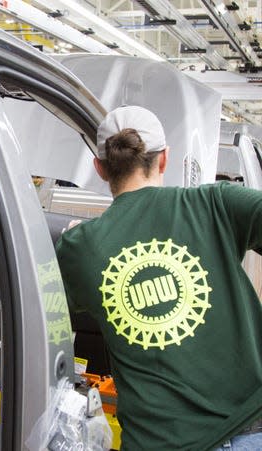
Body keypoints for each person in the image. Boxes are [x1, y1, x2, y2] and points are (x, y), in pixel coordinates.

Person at [55, 106, 262, 450]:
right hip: (251, 428)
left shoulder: (79, 246)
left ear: (101, 169)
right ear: (164, 159)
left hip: (159, 442)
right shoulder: (216, 203)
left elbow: (42, 316)